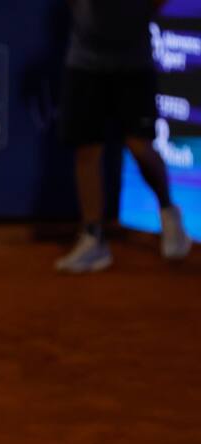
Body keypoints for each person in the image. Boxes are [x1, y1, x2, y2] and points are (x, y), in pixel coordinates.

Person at [55, 0, 192, 273]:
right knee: (87, 149)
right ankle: (93, 237)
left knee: (139, 146)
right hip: (85, 63)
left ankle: (168, 212)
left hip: (133, 65)